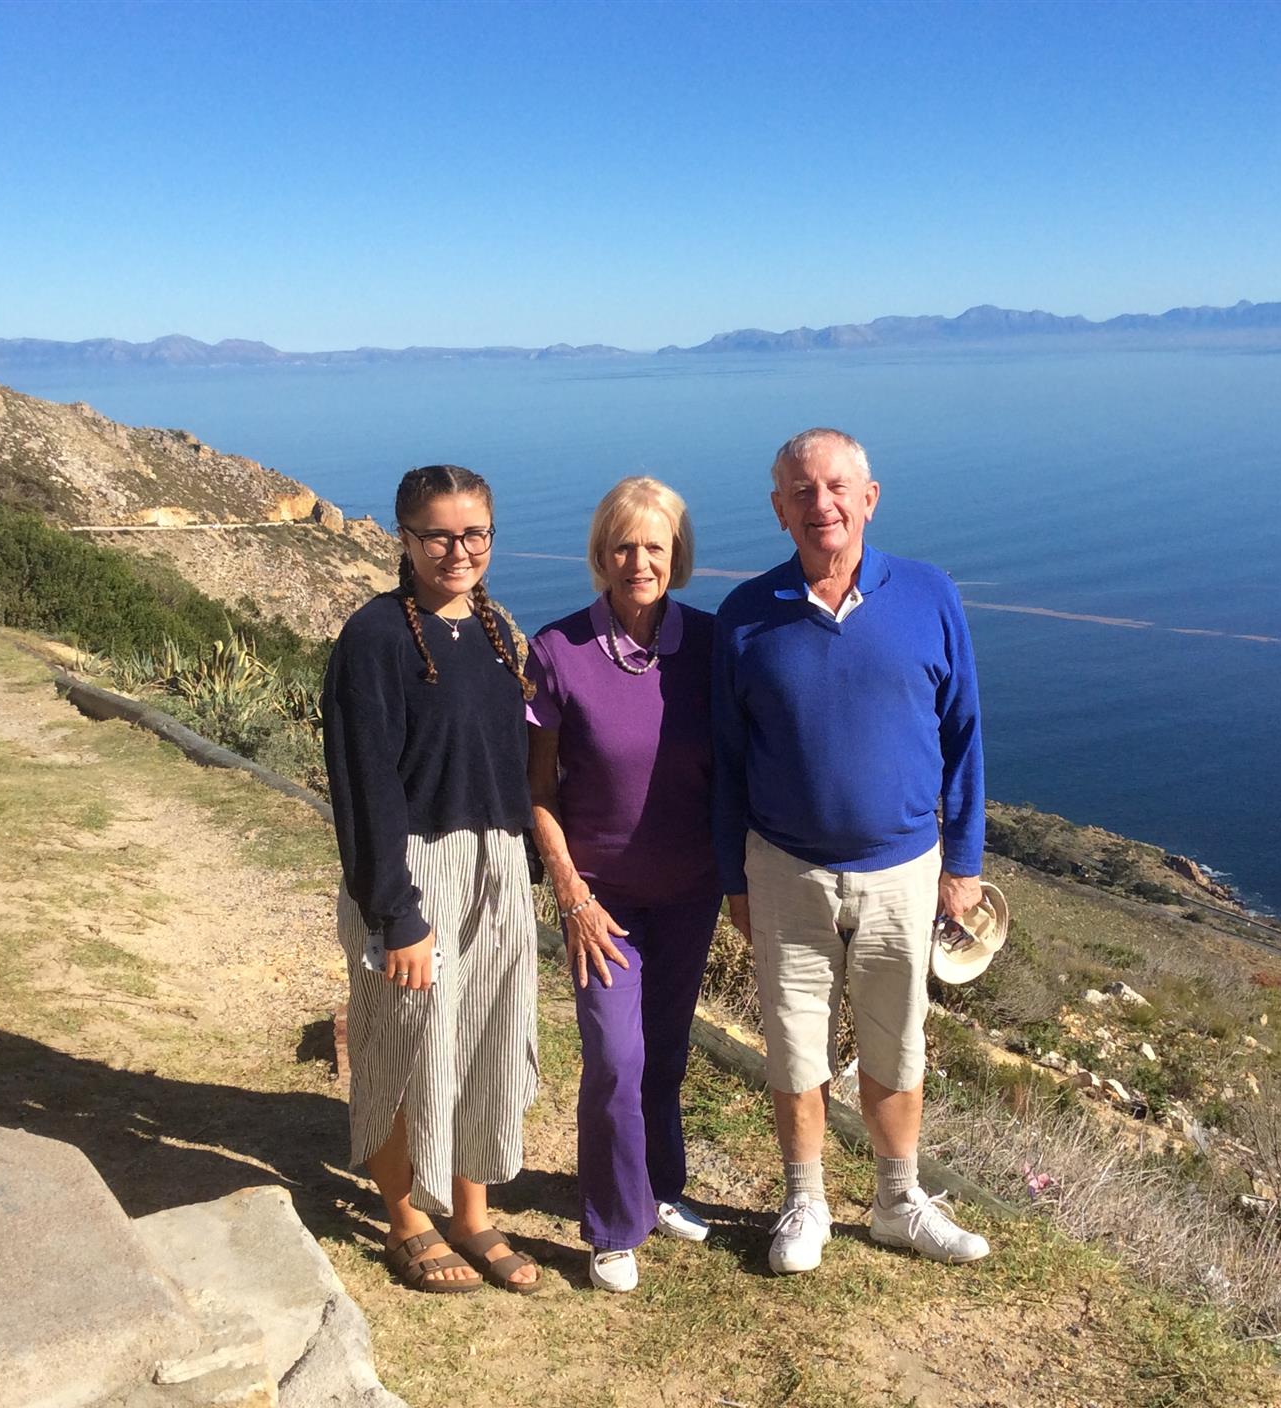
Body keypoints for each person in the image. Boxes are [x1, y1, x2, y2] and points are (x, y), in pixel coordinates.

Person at [712, 427, 990, 1274]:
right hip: (783, 870)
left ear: (870, 499)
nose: (821, 504)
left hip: (904, 871)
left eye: (837, 488)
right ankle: (806, 1203)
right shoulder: (745, 616)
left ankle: (899, 1202)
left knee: (896, 1042)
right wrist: (734, 881)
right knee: (796, 1047)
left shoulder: (930, 594)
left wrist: (964, 862)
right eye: (801, 491)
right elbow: (727, 761)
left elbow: (964, 734)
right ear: (778, 509)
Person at [322, 464, 542, 1294]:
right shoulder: (374, 638)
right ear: (405, 539)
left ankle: (471, 1215)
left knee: (486, 1039)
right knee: (402, 1048)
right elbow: (365, 784)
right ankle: (407, 1219)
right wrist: (397, 914)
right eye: (439, 536)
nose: (458, 551)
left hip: (495, 866)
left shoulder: (492, 629)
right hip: (415, 873)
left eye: (474, 533)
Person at [525, 477, 719, 1294]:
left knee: (664, 1052)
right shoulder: (558, 650)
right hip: (600, 900)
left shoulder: (710, 645)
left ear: (678, 555)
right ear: (601, 554)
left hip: (690, 891)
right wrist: (570, 893)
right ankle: (612, 1223)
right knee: (613, 1056)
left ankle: (660, 1188)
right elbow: (537, 789)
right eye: (623, 546)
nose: (639, 561)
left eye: (655, 547)